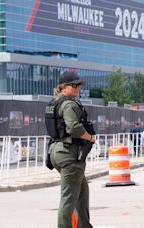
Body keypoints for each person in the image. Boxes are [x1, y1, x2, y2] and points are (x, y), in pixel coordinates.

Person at [48, 71, 96, 228]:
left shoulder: (54, 103)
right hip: (69, 154)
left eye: (78, 85)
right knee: (68, 199)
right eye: (73, 85)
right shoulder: (68, 104)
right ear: (63, 87)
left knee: (82, 195)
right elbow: (74, 127)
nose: (77, 88)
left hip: (57, 151)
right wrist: (90, 138)